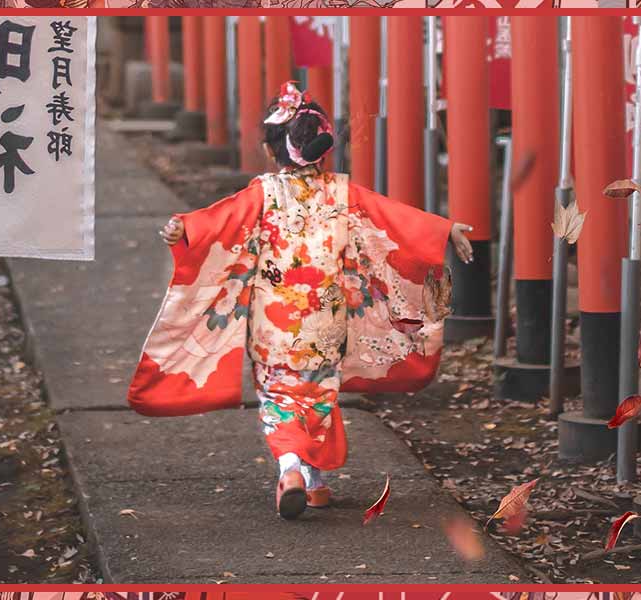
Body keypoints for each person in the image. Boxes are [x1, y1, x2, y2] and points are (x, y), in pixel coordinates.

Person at [128, 82, 474, 520]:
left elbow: (222, 222)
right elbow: (394, 220)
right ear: (321, 147)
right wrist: (445, 230)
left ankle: (291, 467)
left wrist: (184, 230)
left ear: (272, 150)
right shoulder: (344, 194)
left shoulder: (264, 193)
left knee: (279, 395)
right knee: (317, 392)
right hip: (327, 320)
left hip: (274, 320)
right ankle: (317, 483)